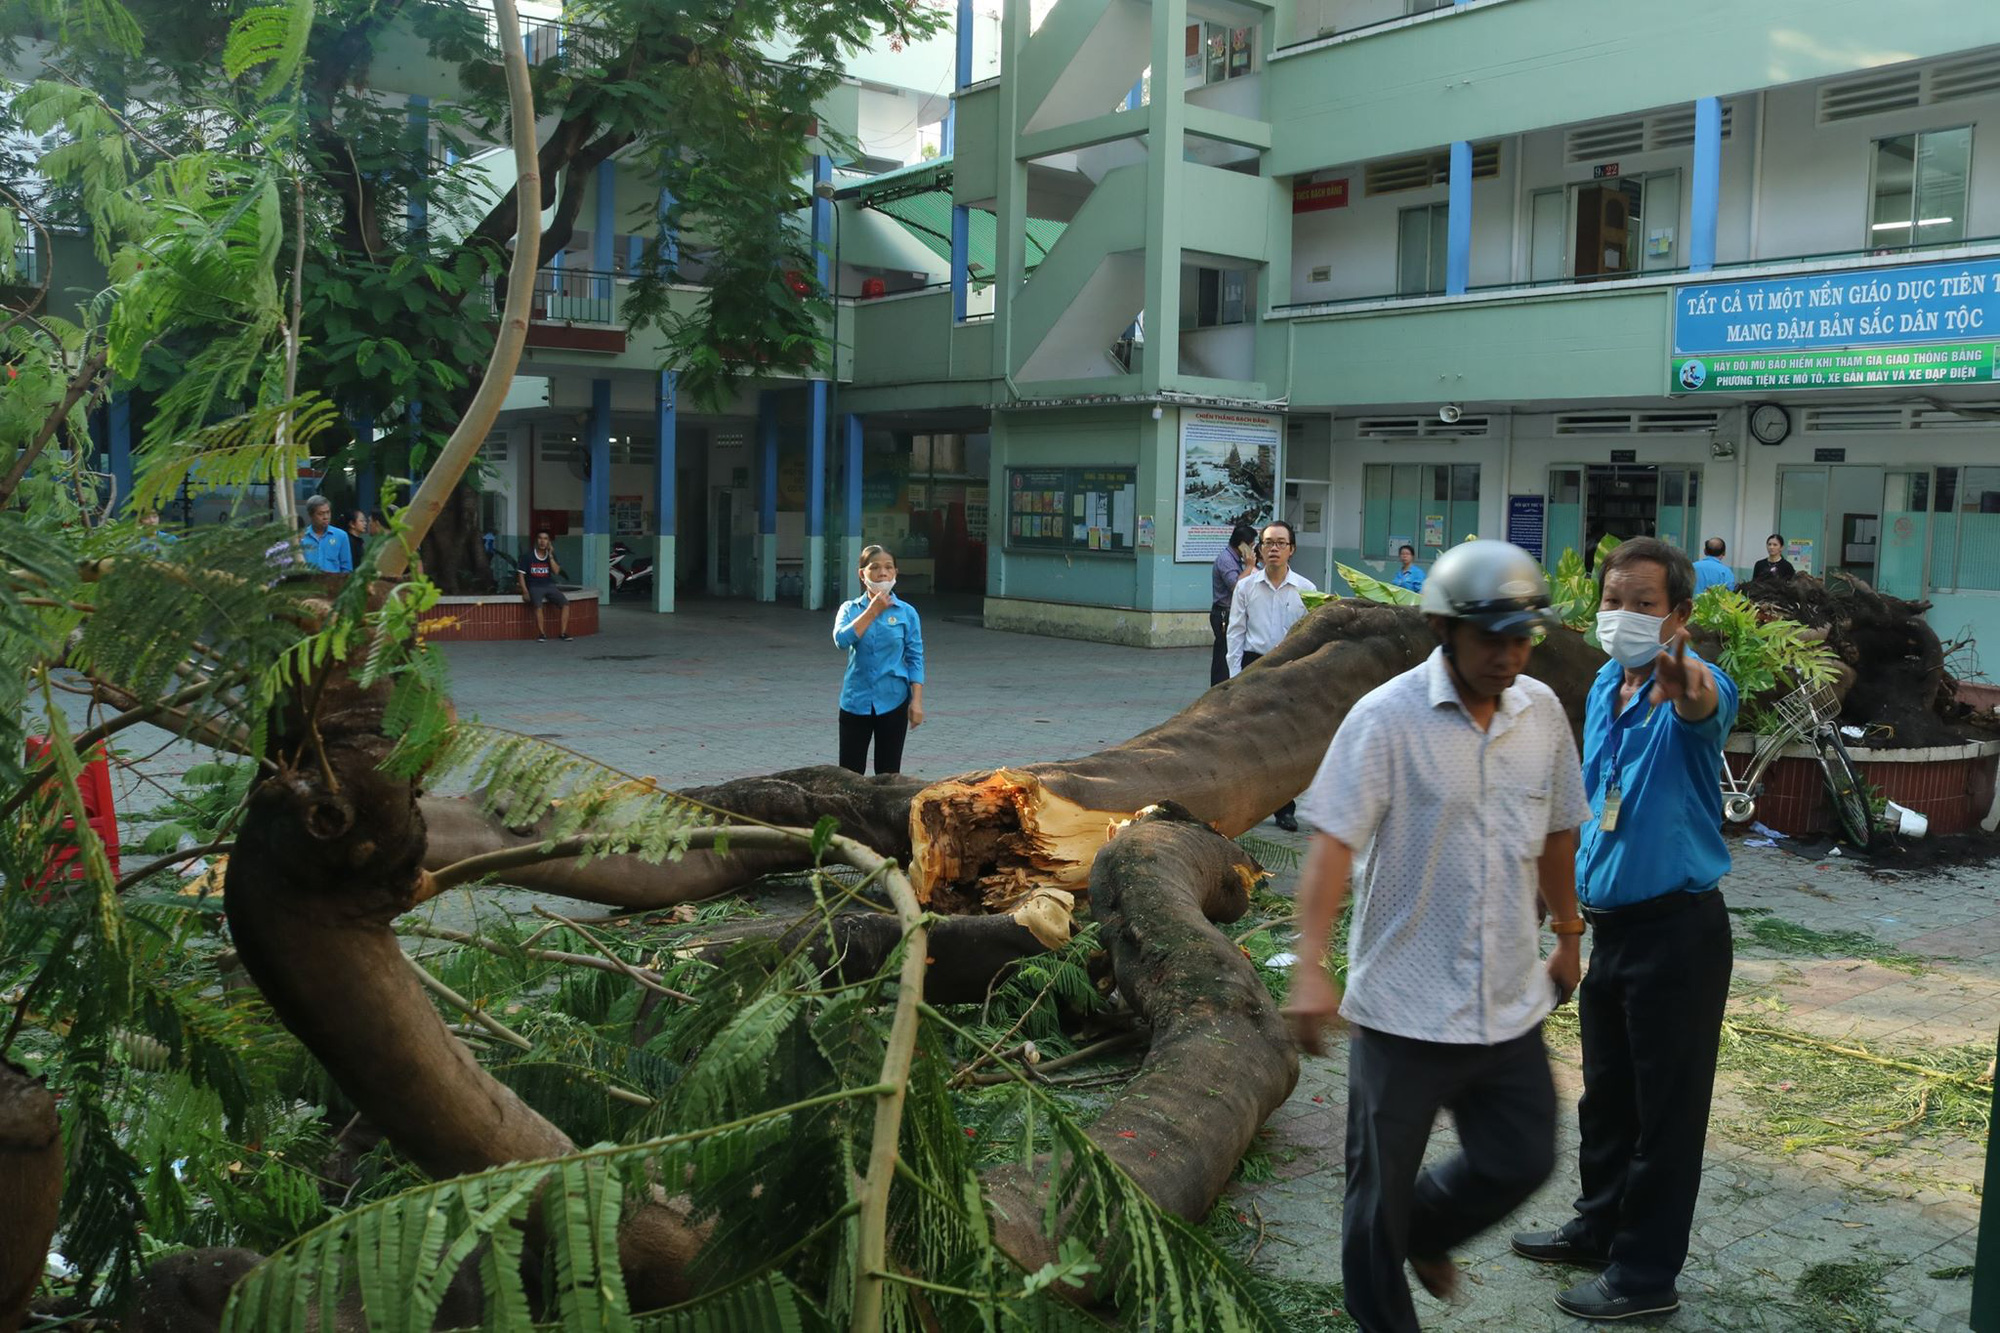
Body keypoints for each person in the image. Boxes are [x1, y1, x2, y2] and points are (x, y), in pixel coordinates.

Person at [1284, 539, 1592, 1333]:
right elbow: (1331, 845)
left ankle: (1433, 1228)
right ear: (1443, 628)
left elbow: (1559, 831)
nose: (1509, 654)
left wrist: (1567, 930)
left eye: (1522, 636)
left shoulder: (1542, 714)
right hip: (1404, 1011)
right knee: (1374, 1211)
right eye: (1492, 637)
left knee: (1524, 1157)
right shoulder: (1385, 719)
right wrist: (1310, 967)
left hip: (1507, 1000)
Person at [1510, 537, 1739, 1323]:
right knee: (1607, 1097)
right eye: (1613, 601)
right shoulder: (1607, 682)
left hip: (1679, 934)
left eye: (1644, 604)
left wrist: (1688, 679)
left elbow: (1703, 699)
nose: (1624, 616)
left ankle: (1645, 1275)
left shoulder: (1695, 691)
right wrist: (1559, 900)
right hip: (1610, 931)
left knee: (1666, 1116)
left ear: (1680, 613)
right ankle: (1598, 1226)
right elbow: (1591, 803)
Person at [1226, 520, 1317, 831]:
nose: (1274, 548)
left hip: (1291, 669)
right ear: (1259, 550)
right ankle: (1243, 805)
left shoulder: (1307, 590)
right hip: (1254, 666)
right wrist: (1234, 677)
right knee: (1248, 739)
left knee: (1285, 744)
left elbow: (1312, 637)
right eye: (1268, 543)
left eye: (1281, 543)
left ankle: (1284, 808)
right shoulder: (1246, 587)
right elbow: (1235, 633)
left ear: (1291, 549)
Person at [833, 544, 926, 775]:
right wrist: (872, 611)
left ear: (895, 572)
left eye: (888, 567)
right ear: (862, 574)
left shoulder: (907, 612)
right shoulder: (849, 609)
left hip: (893, 700)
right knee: (850, 775)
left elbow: (915, 657)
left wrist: (916, 702)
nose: (882, 573)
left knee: (888, 774)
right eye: (874, 567)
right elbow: (841, 641)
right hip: (855, 701)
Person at [1209, 522, 1258, 686]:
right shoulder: (1226, 560)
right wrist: (1249, 566)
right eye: (1251, 545)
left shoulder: (1236, 559)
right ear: (1242, 545)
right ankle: (1219, 689)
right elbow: (1237, 586)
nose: (1253, 549)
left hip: (1231, 612)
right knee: (1223, 657)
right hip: (1224, 614)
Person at [518, 529, 572, 642]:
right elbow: (521, 575)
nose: (542, 541)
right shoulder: (527, 556)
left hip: (549, 585)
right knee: (538, 606)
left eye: (545, 539)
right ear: (536, 541)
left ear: (549, 542)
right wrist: (525, 591)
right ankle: (542, 634)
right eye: (540, 538)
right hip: (534, 586)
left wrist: (551, 555)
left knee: (565, 604)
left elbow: (556, 571)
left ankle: (563, 633)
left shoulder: (550, 556)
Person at [299, 495, 353, 575]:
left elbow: (346, 568)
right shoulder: (301, 537)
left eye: (328, 512)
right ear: (311, 515)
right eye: (320, 514)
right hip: (308, 585)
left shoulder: (341, 536)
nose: (326, 517)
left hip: (334, 584)